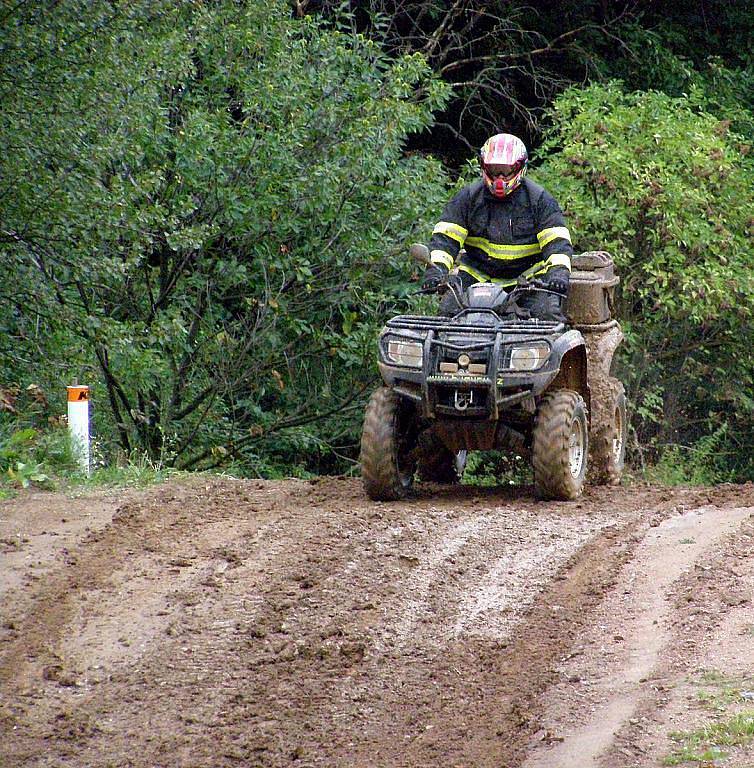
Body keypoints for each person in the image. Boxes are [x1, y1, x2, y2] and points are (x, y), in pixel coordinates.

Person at [422, 133, 573, 320]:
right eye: (494, 170)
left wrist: (558, 275)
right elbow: (445, 240)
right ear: (484, 167)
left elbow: (557, 244)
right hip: (477, 277)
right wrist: (435, 271)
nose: (499, 177)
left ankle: (547, 349)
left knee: (548, 315)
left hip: (528, 281)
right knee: (447, 313)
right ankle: (446, 350)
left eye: (506, 170)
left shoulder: (539, 200)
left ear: (519, 168)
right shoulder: (468, 198)